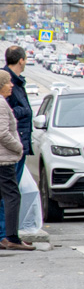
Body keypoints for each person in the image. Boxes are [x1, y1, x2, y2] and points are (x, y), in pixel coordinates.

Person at [0, 75, 32, 250]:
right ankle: (12, 238)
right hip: (4, 160)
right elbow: (2, 133)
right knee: (12, 196)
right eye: (7, 82)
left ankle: (5, 237)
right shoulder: (1, 104)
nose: (11, 85)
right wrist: (18, 147)